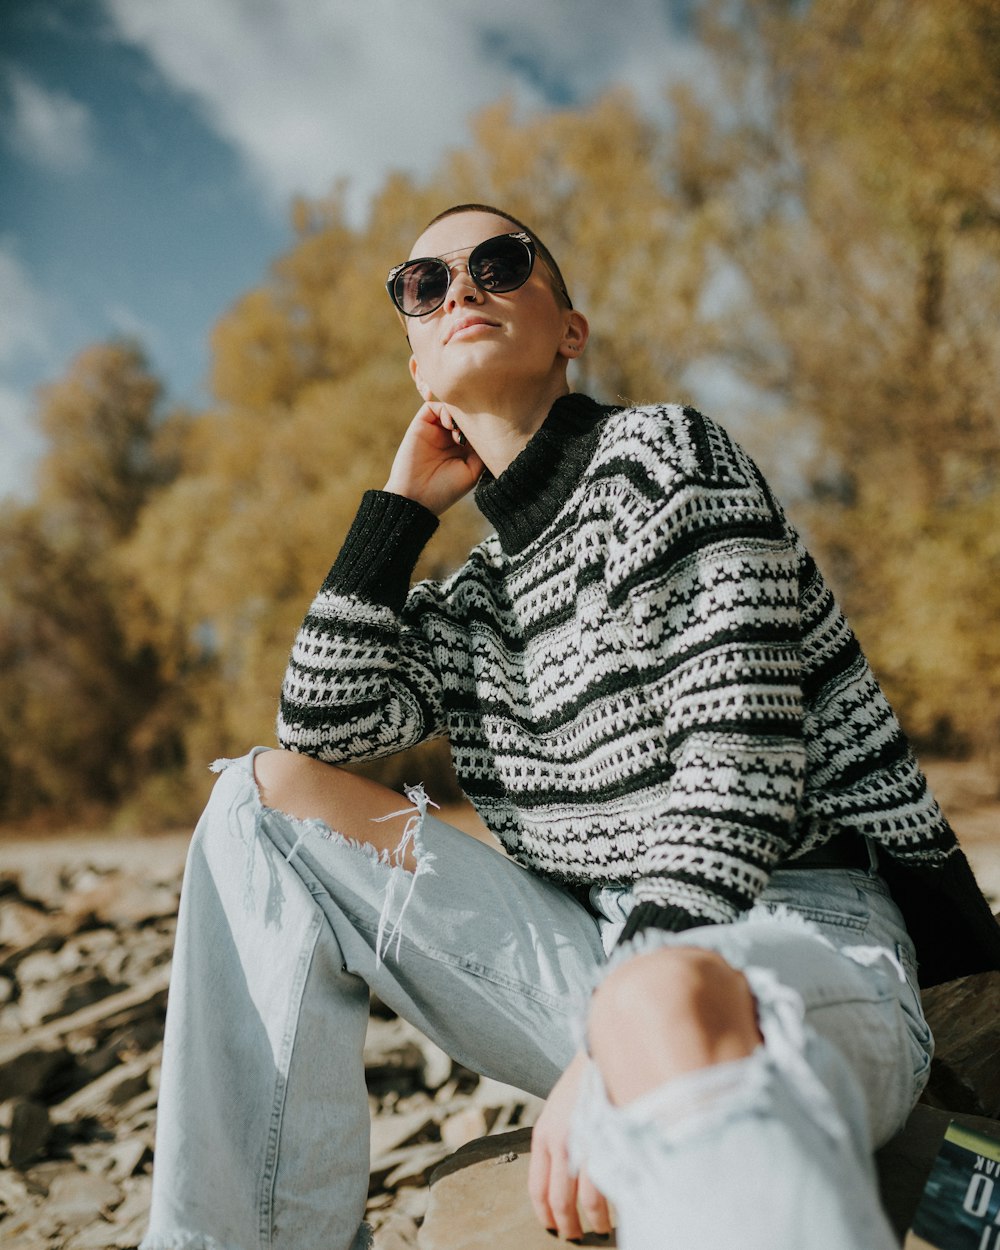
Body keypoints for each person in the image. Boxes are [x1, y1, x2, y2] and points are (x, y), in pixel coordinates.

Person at [141, 204, 1000, 1250]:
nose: (458, 288)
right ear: (416, 358)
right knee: (255, 798)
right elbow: (318, 723)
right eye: (422, 284)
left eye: (496, 265)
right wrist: (397, 509)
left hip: (790, 939)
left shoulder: (663, 456)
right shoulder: (473, 599)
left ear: (569, 330)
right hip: (588, 958)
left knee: (658, 996)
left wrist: (619, 1020)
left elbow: (739, 766)